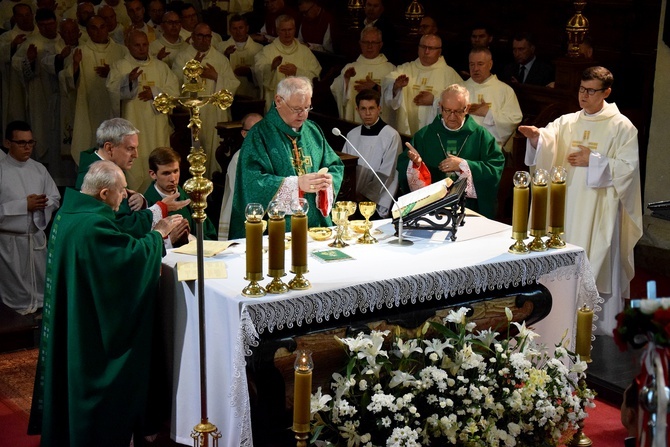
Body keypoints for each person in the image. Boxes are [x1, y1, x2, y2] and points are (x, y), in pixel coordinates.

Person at [28, 160, 183, 447]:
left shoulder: (70, 214)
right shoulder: (91, 224)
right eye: (121, 191)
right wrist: (158, 234)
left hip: (75, 311)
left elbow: (112, 247)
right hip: (89, 330)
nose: (125, 196)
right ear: (103, 194)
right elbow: (124, 262)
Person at [519, 66, 642, 335]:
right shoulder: (568, 121)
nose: (583, 96)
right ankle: (558, 311)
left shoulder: (622, 127)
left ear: (606, 92)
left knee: (596, 258)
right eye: (581, 89)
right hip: (566, 205)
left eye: (591, 91)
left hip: (600, 208)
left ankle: (597, 324)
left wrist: (594, 161)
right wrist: (538, 139)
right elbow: (550, 139)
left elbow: (628, 169)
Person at [229, 76, 343, 239]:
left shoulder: (313, 131)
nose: (303, 115)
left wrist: (327, 182)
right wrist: (297, 184)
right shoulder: (259, 135)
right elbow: (251, 182)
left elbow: (335, 165)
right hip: (279, 230)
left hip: (316, 227)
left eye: (307, 108)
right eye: (297, 109)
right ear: (278, 101)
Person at [397, 84, 504, 219]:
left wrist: (463, 165)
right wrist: (417, 165)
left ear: (467, 108)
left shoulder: (481, 136)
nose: (452, 117)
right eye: (447, 110)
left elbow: (495, 168)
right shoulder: (425, 135)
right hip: (433, 211)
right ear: (440, 107)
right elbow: (403, 165)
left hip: (469, 210)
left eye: (458, 111)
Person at [76, 118, 190, 237]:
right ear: (109, 148)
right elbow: (119, 225)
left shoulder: (110, 168)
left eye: (136, 148)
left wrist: (140, 200)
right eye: (130, 148)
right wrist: (160, 209)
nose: (136, 155)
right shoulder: (95, 176)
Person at [107, 29, 179, 191]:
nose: (141, 48)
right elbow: (112, 91)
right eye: (137, 45)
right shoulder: (120, 66)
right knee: (135, 167)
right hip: (132, 124)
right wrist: (129, 81)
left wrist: (155, 93)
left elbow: (174, 92)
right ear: (128, 45)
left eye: (144, 44)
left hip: (156, 127)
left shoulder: (161, 67)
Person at [0, 120, 60, 315]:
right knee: (15, 298)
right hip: (9, 242)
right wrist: (23, 205)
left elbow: (55, 198)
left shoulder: (39, 169)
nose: (27, 148)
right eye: (21, 143)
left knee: (41, 292)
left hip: (36, 240)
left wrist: (42, 206)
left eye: (31, 142)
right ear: (8, 143)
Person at [172, 22, 240, 176]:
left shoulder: (220, 59)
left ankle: (213, 183)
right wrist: (191, 71)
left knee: (212, 148)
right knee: (195, 150)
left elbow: (234, 84)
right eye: (200, 35)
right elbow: (175, 83)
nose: (203, 39)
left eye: (207, 36)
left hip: (214, 113)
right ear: (192, 37)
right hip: (192, 113)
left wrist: (216, 77)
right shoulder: (183, 57)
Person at [68, 15, 126, 165]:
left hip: (114, 108)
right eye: (94, 28)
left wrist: (112, 74)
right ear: (87, 31)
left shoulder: (121, 51)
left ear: (108, 28)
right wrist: (75, 66)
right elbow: (67, 79)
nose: (99, 31)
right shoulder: (80, 51)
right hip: (89, 107)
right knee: (89, 141)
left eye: (102, 27)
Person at [382, 34, 462, 136]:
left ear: (439, 51)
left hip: (435, 135)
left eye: (431, 48)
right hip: (406, 132)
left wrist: (434, 100)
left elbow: (458, 103)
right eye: (423, 47)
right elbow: (388, 80)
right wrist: (395, 86)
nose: (426, 51)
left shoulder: (450, 74)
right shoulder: (406, 69)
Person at [11, 8, 59, 169]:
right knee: (42, 130)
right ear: (38, 25)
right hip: (40, 96)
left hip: (61, 97)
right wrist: (29, 60)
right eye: (43, 25)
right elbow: (16, 64)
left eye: (51, 24)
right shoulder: (31, 43)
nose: (48, 28)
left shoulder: (63, 40)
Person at [342, 89, 401, 218]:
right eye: (363, 109)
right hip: (352, 199)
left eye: (371, 108)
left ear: (379, 109)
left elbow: (388, 172)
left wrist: (366, 196)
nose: (367, 113)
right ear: (357, 110)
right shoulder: (352, 135)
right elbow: (345, 167)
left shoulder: (390, 135)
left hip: (375, 200)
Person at [144, 147, 217, 246]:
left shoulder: (190, 198)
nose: (173, 179)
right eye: (166, 173)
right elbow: (143, 248)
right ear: (153, 174)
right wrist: (170, 241)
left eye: (175, 171)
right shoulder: (145, 204)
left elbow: (210, 236)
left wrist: (189, 238)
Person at [253, 14, 321, 112]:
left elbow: (315, 76)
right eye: (283, 30)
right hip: (276, 102)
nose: (287, 33)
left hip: (299, 105)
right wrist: (271, 67)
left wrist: (297, 72)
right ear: (277, 31)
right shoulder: (268, 51)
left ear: (295, 29)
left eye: (290, 29)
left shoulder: (305, 52)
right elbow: (258, 71)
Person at [330, 26, 395, 125]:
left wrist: (375, 87)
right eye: (366, 42)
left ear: (380, 45)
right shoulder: (350, 67)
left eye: (373, 42)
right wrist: (346, 79)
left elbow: (395, 98)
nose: (369, 46)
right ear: (360, 44)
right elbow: (335, 89)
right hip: (355, 122)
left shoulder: (390, 70)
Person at [463, 47, 522, 150]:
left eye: (480, 64)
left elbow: (514, 119)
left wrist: (488, 114)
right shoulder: (459, 89)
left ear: (490, 65)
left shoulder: (505, 90)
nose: (475, 68)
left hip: (490, 149)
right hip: (463, 147)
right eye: (472, 64)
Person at [218, 112, 262, 240]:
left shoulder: (272, 155)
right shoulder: (239, 159)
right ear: (244, 134)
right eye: (254, 131)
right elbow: (239, 193)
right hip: (245, 216)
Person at [0, 3, 35, 131]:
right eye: (20, 15)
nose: (25, 18)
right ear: (14, 17)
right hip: (14, 87)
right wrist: (13, 46)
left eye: (27, 15)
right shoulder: (7, 37)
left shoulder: (39, 35)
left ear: (32, 15)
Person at [217, 14, 263, 98]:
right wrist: (226, 56)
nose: (238, 31)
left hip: (251, 93)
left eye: (241, 28)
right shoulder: (221, 47)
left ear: (247, 28)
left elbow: (263, 74)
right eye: (234, 28)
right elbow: (217, 70)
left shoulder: (259, 49)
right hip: (229, 94)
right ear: (230, 30)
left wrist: (250, 72)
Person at [362, 0, 397, 64]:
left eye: (375, 6)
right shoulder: (358, 24)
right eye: (369, 5)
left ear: (382, 9)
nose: (371, 9)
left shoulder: (387, 28)